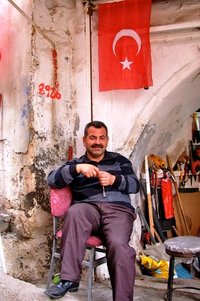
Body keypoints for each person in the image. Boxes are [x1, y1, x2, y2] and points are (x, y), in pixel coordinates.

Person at [44, 121, 140, 301]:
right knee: (74, 212)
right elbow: (52, 179)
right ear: (85, 140)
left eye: (101, 138)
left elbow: (136, 185)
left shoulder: (119, 161)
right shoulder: (77, 163)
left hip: (118, 211)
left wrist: (114, 180)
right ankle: (68, 280)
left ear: (107, 140)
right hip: (87, 208)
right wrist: (76, 169)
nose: (97, 142)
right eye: (93, 138)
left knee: (119, 246)